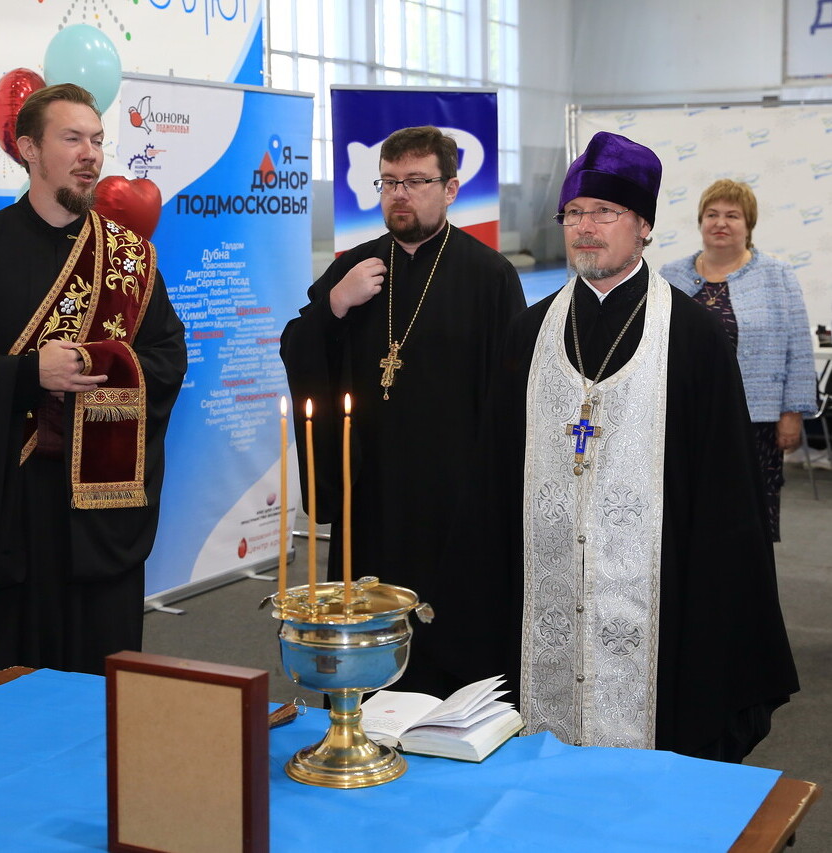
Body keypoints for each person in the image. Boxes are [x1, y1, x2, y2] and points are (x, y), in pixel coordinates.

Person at [439, 132, 798, 762]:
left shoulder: (693, 337)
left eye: (605, 212)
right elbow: (492, 478)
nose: (585, 228)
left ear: (644, 227)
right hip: (541, 588)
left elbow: (725, 494)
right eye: (574, 213)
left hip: (660, 595)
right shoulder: (529, 332)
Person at [280, 125, 525, 695]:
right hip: (372, 485)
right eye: (389, 182)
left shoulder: (490, 276)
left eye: (416, 181)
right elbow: (297, 346)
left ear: (451, 189)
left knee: (451, 630)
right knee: (369, 621)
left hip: (453, 490)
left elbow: (513, 391)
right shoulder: (355, 265)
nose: (399, 194)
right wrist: (335, 304)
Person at [0, 84, 186, 676]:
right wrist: (28, 373)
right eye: (72, 139)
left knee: (100, 681)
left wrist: (106, 365)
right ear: (29, 150)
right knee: (10, 686)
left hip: (97, 512)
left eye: (96, 140)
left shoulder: (129, 257)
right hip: (8, 505)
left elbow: (168, 358)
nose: (90, 153)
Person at [660, 180, 816, 541]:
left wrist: (792, 413)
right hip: (684, 417)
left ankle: (748, 576)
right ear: (700, 221)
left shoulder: (777, 275)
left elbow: (798, 348)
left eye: (732, 215)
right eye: (712, 214)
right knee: (687, 510)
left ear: (749, 224)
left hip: (755, 420)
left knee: (748, 515)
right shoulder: (671, 275)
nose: (720, 223)